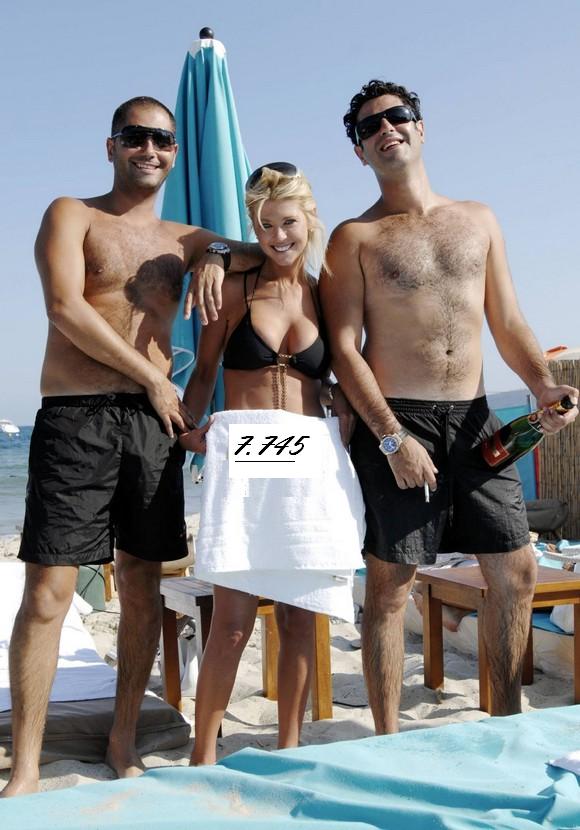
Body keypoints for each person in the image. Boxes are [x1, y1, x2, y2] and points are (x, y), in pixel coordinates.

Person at [2, 96, 261, 798]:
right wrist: (151, 375)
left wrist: (216, 253)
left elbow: (265, 254)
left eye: (163, 140)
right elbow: (65, 307)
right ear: (111, 145)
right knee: (49, 592)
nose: (150, 149)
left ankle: (122, 740)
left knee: (144, 585)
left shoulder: (186, 237)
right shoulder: (72, 214)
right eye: (136, 137)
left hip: (153, 427)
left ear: (175, 153)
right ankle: (27, 766)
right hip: (76, 417)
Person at [319, 80, 579, 734]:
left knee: (516, 571)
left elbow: (507, 320)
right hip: (397, 420)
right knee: (390, 586)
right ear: (359, 151)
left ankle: (505, 721)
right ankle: (386, 738)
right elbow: (344, 349)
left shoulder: (478, 219)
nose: (386, 129)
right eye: (369, 126)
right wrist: (389, 437)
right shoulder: (354, 237)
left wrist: (543, 386)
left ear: (420, 126)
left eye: (397, 116)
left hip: (476, 421)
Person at [180, 163, 364, 765]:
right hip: (246, 461)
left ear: (309, 219)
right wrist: (184, 430)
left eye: (288, 222)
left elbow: (341, 368)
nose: (277, 236)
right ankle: (202, 756)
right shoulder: (235, 289)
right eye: (264, 225)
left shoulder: (325, 293)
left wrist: (340, 400)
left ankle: (288, 749)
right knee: (232, 621)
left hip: (309, 464)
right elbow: (205, 372)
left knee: (298, 618)